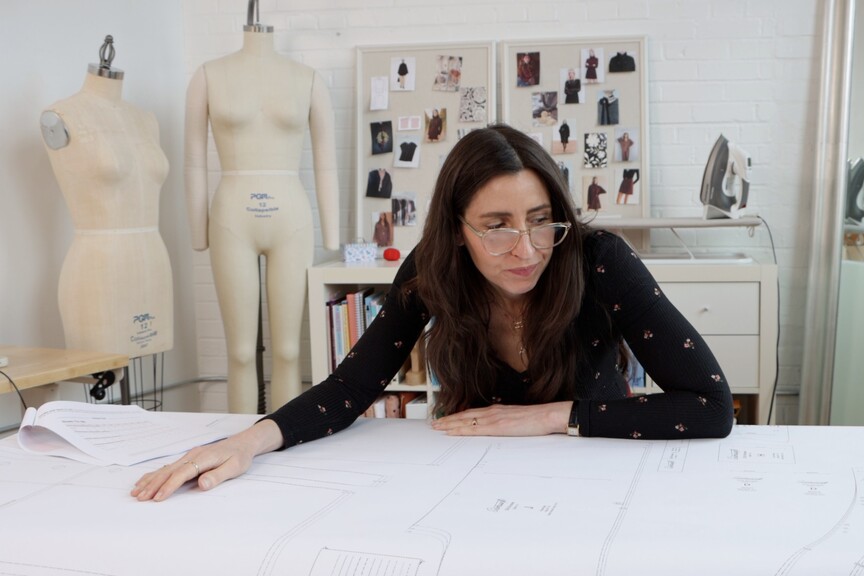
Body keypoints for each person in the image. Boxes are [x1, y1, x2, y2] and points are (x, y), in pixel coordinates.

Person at [132, 124, 733, 502]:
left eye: (540, 220)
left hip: (594, 477)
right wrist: (249, 441)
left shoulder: (597, 258)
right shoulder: (431, 269)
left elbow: (711, 405)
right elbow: (351, 387)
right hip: (470, 480)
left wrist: (551, 417)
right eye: (496, 227)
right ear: (458, 230)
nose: (526, 250)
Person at [184, 28, 340, 414]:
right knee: (239, 352)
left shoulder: (308, 79)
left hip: (291, 219)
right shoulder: (208, 75)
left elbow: (326, 160)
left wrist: (333, 233)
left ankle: (282, 442)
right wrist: (197, 230)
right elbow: (193, 160)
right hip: (231, 218)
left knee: (288, 350)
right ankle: (235, 444)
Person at [40, 36, 174, 358]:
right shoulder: (61, 115)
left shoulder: (146, 120)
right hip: (100, 269)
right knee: (104, 375)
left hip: (153, 260)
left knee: (149, 382)